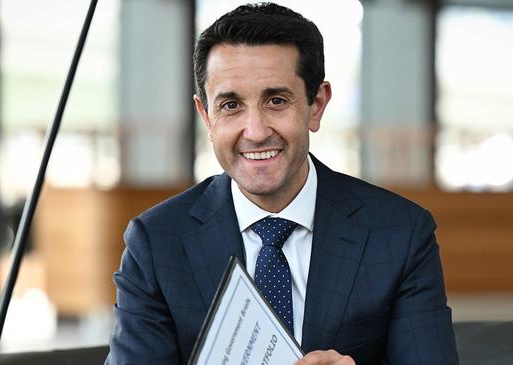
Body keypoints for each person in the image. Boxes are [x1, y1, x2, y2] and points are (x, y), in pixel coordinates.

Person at [106, 3, 458, 364]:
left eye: (276, 101)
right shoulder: (156, 243)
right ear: (206, 117)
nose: (256, 132)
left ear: (316, 105)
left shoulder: (400, 234)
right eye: (230, 105)